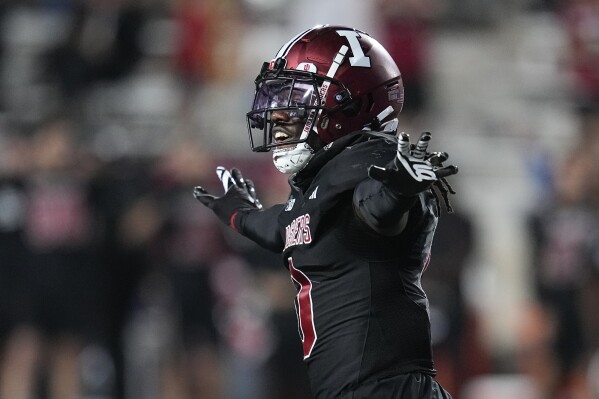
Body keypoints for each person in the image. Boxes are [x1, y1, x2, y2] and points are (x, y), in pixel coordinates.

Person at [193, 25, 458, 399]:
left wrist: (398, 190)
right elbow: (288, 226)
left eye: (295, 98)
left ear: (348, 103)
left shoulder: (372, 164)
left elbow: (375, 211)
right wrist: (241, 215)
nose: (279, 116)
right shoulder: (324, 179)